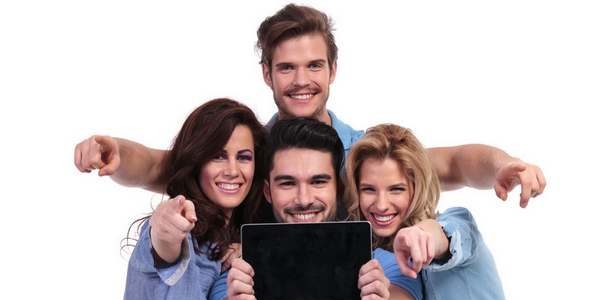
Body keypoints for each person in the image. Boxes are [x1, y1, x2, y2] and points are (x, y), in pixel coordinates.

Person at [73, 4, 546, 208]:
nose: (301, 81)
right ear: (266, 74)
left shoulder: (363, 151)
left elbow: (454, 163)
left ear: (333, 69)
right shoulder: (246, 154)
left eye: (314, 66)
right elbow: (162, 166)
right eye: (286, 68)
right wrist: (115, 151)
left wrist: (503, 165)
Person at [209, 117, 423, 300]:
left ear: (339, 189)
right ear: (267, 191)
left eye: (318, 182)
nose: (304, 199)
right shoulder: (238, 274)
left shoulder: (386, 265)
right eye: (287, 183)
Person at [343, 123, 516, 300]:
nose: (382, 204)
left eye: (396, 189)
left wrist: (421, 235)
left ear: (416, 188)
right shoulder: (375, 260)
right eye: (369, 189)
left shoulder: (456, 223)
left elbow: (442, 237)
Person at [114, 98, 268, 300]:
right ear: (197, 161)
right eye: (218, 156)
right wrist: (164, 223)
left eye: (244, 157)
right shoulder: (182, 232)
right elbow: (165, 243)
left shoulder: (238, 248)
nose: (232, 170)